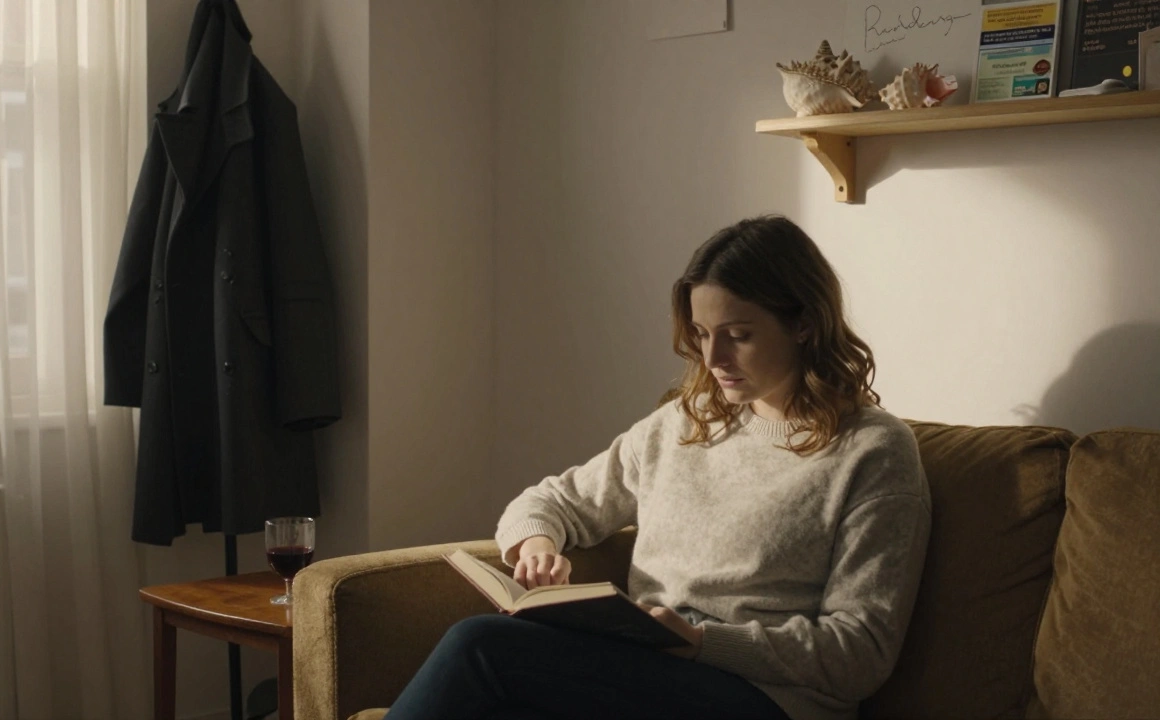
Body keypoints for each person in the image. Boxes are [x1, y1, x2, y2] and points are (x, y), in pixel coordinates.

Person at [384, 215, 932, 720]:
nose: (713, 359)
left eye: (738, 335)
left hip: (763, 698)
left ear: (805, 325)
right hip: (649, 672)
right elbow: (549, 502)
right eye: (702, 333)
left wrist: (702, 643)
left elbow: (860, 652)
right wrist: (537, 547)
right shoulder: (685, 423)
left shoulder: (873, 451)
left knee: (481, 648)